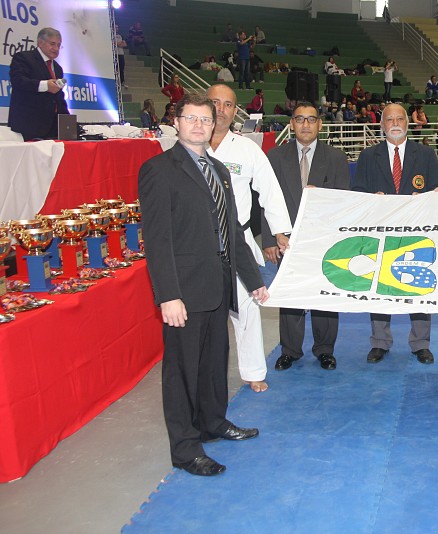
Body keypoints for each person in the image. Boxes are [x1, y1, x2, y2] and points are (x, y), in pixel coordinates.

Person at [138, 94, 269, 477]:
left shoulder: (219, 170)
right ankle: (184, 449)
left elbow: (232, 230)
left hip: (218, 285)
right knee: (181, 373)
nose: (198, 125)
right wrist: (168, 295)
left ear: (214, 125)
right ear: (176, 122)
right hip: (184, 290)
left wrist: (252, 280)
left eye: (205, 119)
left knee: (214, 362)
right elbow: (158, 239)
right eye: (191, 118)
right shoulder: (158, 170)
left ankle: (213, 423)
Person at [205, 84, 292, 392]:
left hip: (238, 239)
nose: (221, 109)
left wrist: (279, 231)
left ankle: (253, 371)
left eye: (228, 104)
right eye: (215, 102)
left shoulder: (246, 149)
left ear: (235, 111)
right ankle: (205, 374)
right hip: (199, 243)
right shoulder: (189, 145)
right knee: (205, 312)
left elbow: (269, 189)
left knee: (248, 308)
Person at [352, 103, 438, 365]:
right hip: (380, 233)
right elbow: (357, 193)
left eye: (399, 118)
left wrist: (428, 196)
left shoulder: (425, 154)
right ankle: (380, 342)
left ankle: (421, 343)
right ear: (381, 125)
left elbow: (437, 188)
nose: (395, 123)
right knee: (380, 287)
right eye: (389, 119)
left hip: (418, 232)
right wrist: (373, 199)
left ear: (408, 123)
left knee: (421, 283)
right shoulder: (368, 156)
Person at [266, 102, 351, 371]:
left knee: (324, 294)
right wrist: (269, 239)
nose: (305, 124)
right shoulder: (275, 157)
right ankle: (290, 350)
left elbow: (344, 202)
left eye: (311, 119)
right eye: (300, 119)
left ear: (320, 124)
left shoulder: (336, 158)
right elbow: (265, 200)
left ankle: (325, 349)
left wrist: (322, 198)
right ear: (291, 123)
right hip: (286, 240)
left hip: (323, 239)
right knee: (291, 296)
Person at [8, 27, 69, 141]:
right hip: (29, 126)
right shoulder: (23, 58)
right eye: (52, 44)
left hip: (53, 128)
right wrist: (46, 85)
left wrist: (69, 122)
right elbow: (19, 81)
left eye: (59, 45)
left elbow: (58, 97)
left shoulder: (58, 68)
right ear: (40, 43)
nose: (56, 48)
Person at [114, 24, 127, 89]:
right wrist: (119, 43)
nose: (117, 29)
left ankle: (122, 82)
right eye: (115, 27)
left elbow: (124, 44)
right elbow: (113, 43)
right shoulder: (111, 35)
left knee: (121, 68)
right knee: (115, 68)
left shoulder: (121, 35)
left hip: (121, 54)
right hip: (115, 54)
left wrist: (118, 43)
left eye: (117, 27)